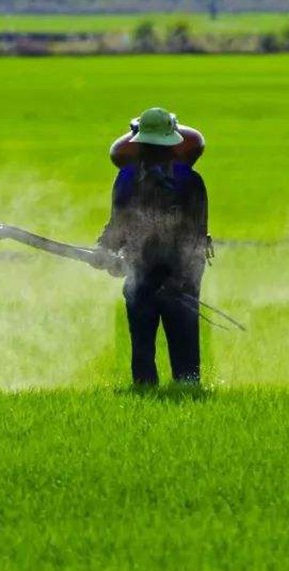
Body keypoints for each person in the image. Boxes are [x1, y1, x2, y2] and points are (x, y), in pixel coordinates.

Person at [96, 108, 211, 387]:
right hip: (140, 274)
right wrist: (105, 250)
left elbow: (195, 236)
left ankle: (187, 388)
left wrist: (178, 279)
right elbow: (118, 222)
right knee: (142, 347)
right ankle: (145, 389)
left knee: (183, 342)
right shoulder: (126, 179)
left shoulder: (190, 182)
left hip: (180, 279)